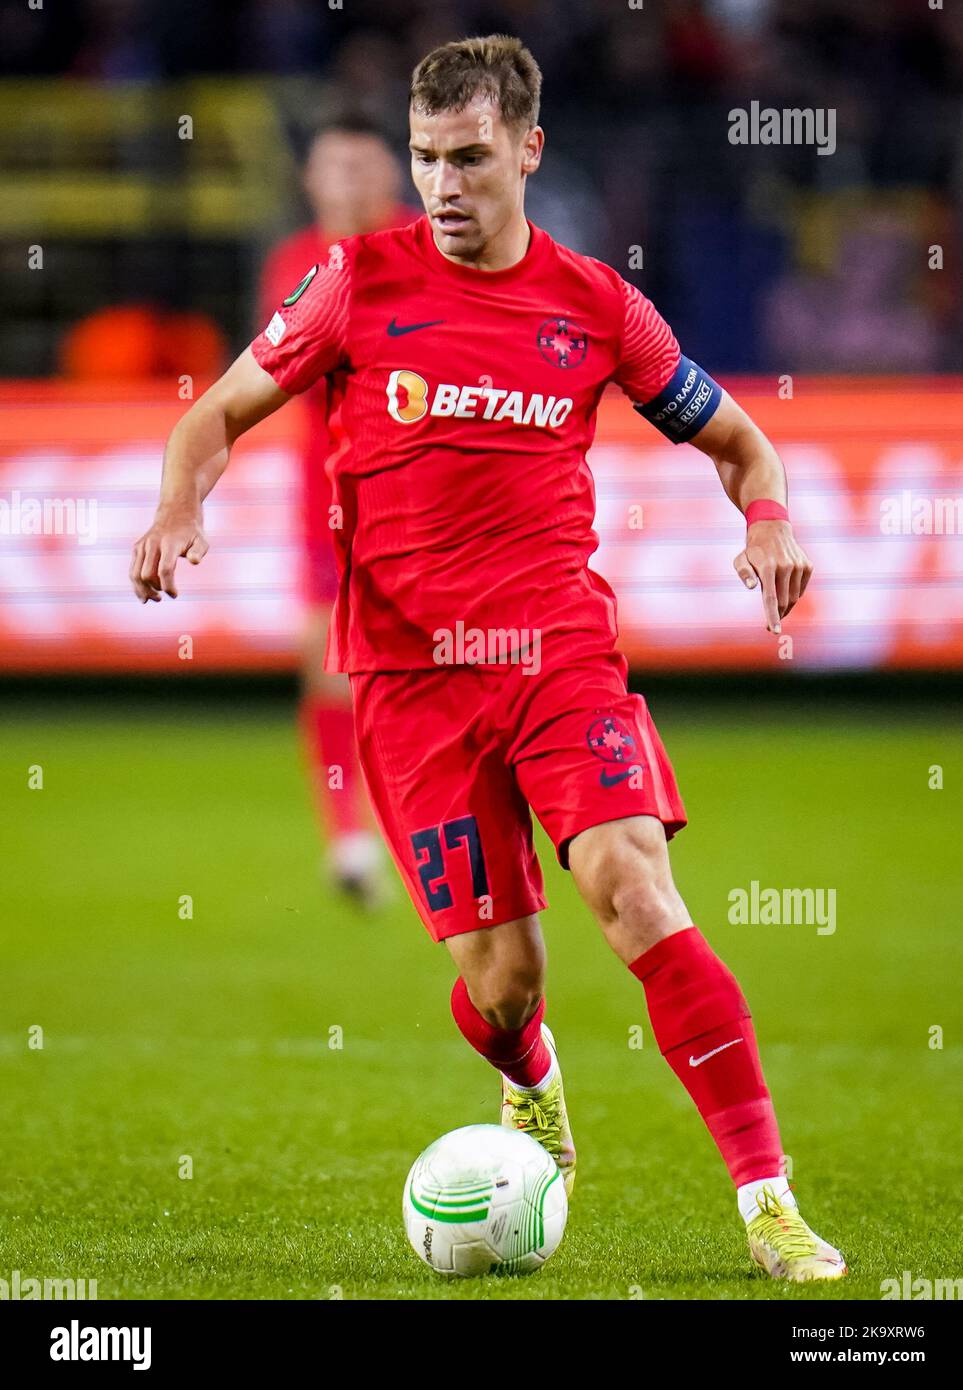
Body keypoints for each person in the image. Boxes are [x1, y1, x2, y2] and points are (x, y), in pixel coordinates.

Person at [130, 35, 844, 1281]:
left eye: (468, 158)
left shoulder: (593, 304)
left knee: (632, 889)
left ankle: (768, 1201)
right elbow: (214, 412)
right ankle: (535, 1077)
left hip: (559, 652)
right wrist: (179, 503)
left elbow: (735, 437)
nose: (444, 186)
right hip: (409, 688)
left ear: (528, 149)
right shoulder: (353, 282)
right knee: (506, 982)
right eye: (424, 160)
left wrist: (770, 512)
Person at [257, 118, 417, 904]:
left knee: (432, 669)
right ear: (311, 182)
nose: (348, 183)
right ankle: (347, 838)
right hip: (327, 496)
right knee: (325, 663)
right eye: (333, 169)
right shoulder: (293, 264)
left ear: (390, 175)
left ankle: (435, 829)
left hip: (422, 495)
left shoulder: (426, 248)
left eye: (362, 167)